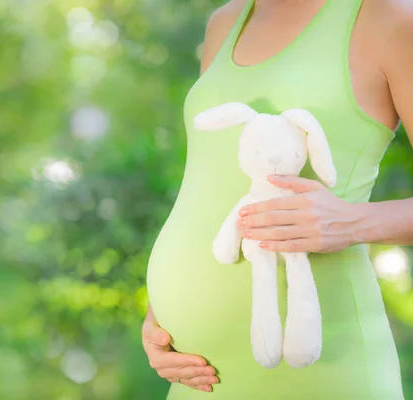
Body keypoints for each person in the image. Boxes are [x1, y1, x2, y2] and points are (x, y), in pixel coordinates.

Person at [142, 0, 412, 398]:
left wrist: (352, 222)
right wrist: (159, 318)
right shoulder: (226, 21)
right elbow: (209, 179)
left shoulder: (388, 16)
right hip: (200, 378)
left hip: (321, 371)